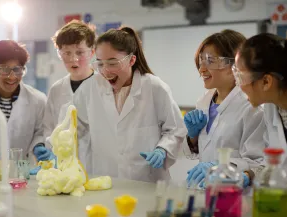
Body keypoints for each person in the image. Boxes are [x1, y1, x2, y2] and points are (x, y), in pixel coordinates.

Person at [72, 26, 187, 182]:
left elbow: (175, 129)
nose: (106, 71)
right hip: (104, 181)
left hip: (147, 182)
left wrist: (163, 149)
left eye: (113, 63)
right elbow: (74, 130)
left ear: (131, 60)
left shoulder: (154, 87)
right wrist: (57, 154)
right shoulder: (89, 89)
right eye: (100, 64)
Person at [183, 30, 266, 188]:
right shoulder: (203, 102)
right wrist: (192, 137)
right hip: (204, 189)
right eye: (201, 61)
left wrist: (221, 167)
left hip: (235, 192)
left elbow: (256, 163)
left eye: (210, 61)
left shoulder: (252, 107)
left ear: (234, 65)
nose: (201, 69)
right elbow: (203, 148)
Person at [37, 20, 96, 162]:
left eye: (80, 52)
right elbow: (49, 128)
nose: (73, 59)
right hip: (63, 165)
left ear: (92, 52)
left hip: (97, 165)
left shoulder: (104, 86)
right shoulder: (57, 89)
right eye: (67, 53)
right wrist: (50, 152)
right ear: (59, 54)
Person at [234, 33, 287, 173]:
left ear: (266, 82)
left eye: (240, 77)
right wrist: (250, 174)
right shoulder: (272, 108)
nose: (239, 85)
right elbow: (272, 163)